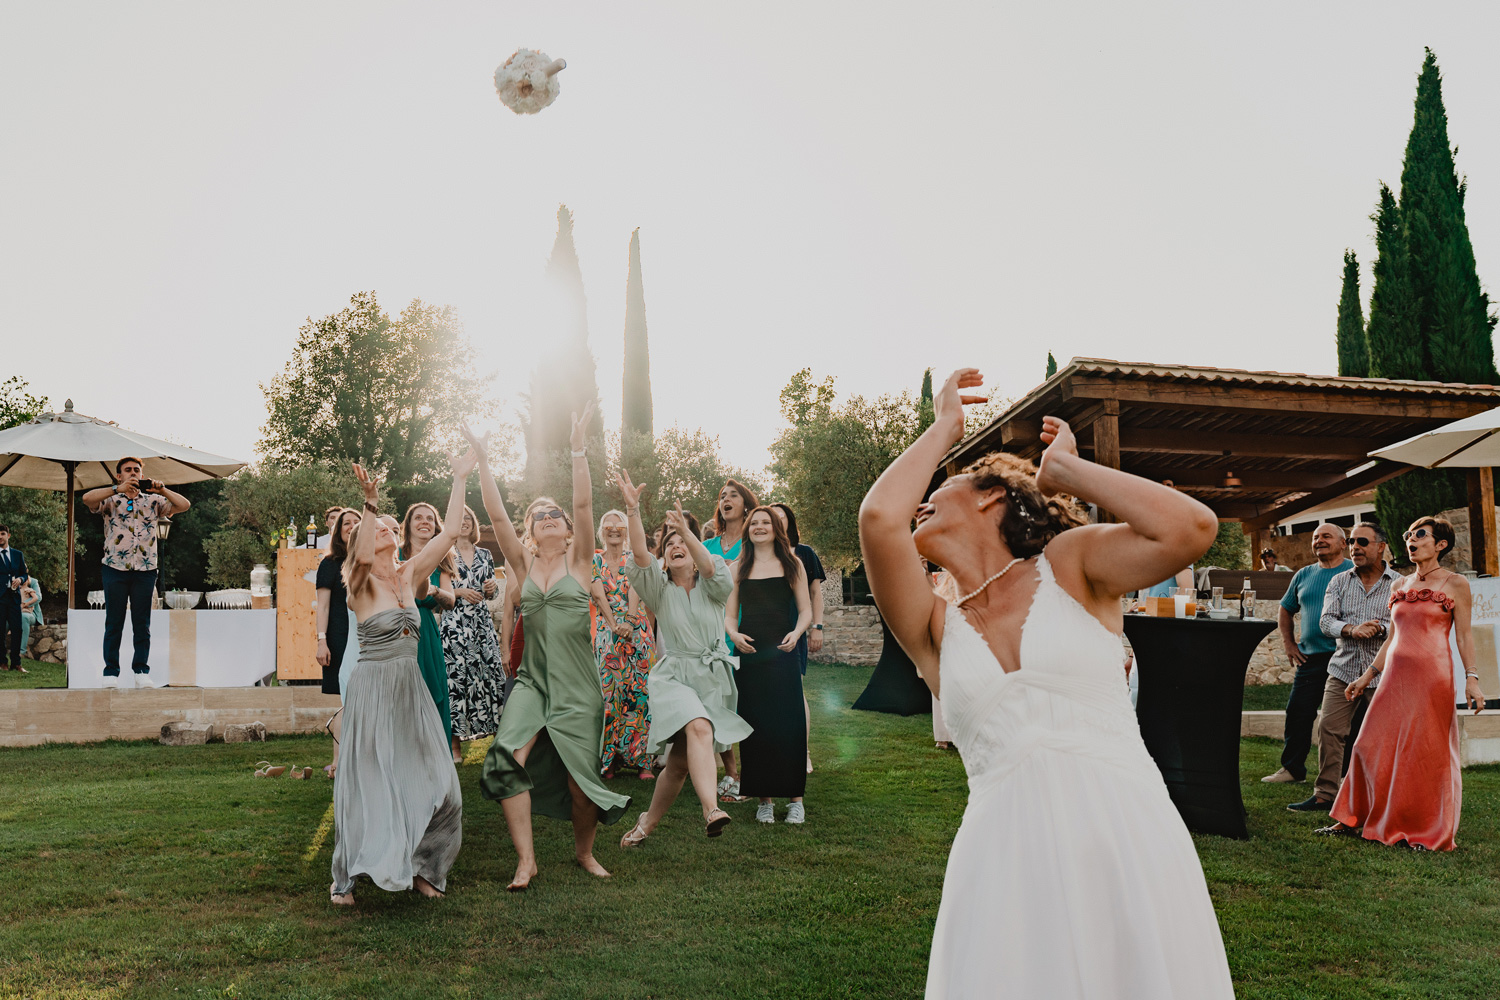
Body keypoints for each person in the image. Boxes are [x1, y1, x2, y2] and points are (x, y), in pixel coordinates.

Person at [859, 368, 1233, 998]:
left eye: (942, 484)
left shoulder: (1072, 566)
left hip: (1124, 833)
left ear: (989, 496)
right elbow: (878, 517)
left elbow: (1190, 529)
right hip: (1002, 863)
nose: (923, 498)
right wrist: (943, 428)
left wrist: (1065, 473)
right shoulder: (930, 626)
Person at [471, 411, 630, 891]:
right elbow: (497, 515)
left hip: (579, 689)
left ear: (565, 529)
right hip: (532, 683)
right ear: (531, 530)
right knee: (504, 759)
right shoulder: (520, 565)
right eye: (538, 517)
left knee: (582, 789)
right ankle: (527, 860)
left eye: (553, 516)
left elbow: (584, 506)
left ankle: (584, 853)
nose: (547, 520)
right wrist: (482, 459)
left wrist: (579, 449)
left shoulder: (582, 564)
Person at [330, 451, 471, 905]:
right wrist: (370, 505)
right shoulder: (359, 579)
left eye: (394, 526)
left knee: (443, 784)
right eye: (382, 529)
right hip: (372, 690)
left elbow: (449, 532)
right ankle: (345, 879)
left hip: (411, 691)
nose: (391, 531)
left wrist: (459, 477)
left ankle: (423, 868)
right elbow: (365, 553)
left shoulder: (410, 576)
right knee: (368, 784)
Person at [1319, 517, 1488, 850]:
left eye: (1420, 535)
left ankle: (1426, 829)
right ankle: (1354, 818)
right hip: (1394, 678)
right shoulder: (1398, 586)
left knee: (1425, 754)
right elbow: (1392, 639)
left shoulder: (1456, 584)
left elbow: (1465, 636)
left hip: (1432, 679)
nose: (1411, 539)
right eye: (1408, 534)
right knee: (1367, 745)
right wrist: (1367, 675)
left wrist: (1472, 678)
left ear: (1440, 544)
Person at [615, 480, 744, 846]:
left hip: (711, 677)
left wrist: (686, 533)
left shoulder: (713, 580)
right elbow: (641, 554)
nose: (675, 547)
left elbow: (707, 563)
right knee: (701, 728)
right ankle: (711, 810)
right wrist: (633, 510)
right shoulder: (658, 588)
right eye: (669, 545)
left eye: (682, 544)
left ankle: (645, 824)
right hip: (674, 676)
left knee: (678, 766)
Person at [1286, 523, 1399, 812]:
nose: (1355, 547)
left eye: (1363, 541)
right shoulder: (1339, 581)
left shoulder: (1399, 584)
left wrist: (1379, 629)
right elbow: (1326, 622)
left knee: (1384, 736)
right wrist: (1351, 629)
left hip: (1383, 673)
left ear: (1381, 546)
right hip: (1343, 671)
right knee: (1329, 729)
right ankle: (1325, 794)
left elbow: (1405, 626)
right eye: (1351, 542)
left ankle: (1382, 796)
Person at [725, 506, 812, 824]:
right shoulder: (738, 567)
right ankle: (764, 801)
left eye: (766, 522)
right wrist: (733, 634)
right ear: (748, 530)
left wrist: (797, 632)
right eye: (754, 523)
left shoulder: (793, 564)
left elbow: (806, 611)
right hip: (751, 654)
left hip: (783, 650)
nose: (759, 527)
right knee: (756, 725)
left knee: (788, 724)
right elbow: (730, 615)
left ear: (776, 528)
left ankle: (795, 801)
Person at [81, 458, 191, 688]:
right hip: (114, 568)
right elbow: (86, 499)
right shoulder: (110, 499)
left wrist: (162, 489)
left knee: (142, 623)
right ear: (118, 475)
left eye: (137, 470)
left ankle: (141, 671)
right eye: (128, 470)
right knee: (114, 622)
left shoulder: (154, 500)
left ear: (142, 474)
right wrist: (115, 489)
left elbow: (184, 505)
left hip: (145, 569)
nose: (133, 473)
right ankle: (110, 672)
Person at [1262, 523, 1352, 784]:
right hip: (1310, 658)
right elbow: (1285, 608)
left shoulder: (1354, 572)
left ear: (1343, 543)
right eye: (1315, 537)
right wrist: (1289, 644)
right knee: (1298, 712)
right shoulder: (1303, 574)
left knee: (1345, 720)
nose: (1319, 540)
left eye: (1326, 536)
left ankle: (1347, 774)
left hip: (1346, 657)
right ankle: (1292, 770)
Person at [591, 509, 656, 780]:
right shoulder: (594, 560)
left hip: (638, 630)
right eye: (609, 524)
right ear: (601, 530)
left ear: (627, 531)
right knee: (609, 697)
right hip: (607, 633)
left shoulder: (635, 558)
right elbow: (596, 591)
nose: (614, 529)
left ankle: (643, 762)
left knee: (641, 695)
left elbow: (636, 588)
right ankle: (611, 760)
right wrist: (613, 622)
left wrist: (629, 620)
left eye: (619, 524)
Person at [439, 505, 507, 763]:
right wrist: (460, 592)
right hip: (455, 626)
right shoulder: (445, 553)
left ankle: (498, 743)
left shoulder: (486, 554)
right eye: (460, 518)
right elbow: (441, 591)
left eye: (468, 518)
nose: (464, 522)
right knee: (456, 682)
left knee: (490, 678)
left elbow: (492, 594)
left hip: (481, 625)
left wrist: (491, 588)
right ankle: (455, 747)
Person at [704, 478, 758, 799]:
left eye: (733, 495)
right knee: (718, 707)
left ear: (745, 505)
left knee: (747, 705)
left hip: (747, 629)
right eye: (722, 496)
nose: (726, 499)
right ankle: (731, 774)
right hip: (712, 634)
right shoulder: (708, 546)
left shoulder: (754, 542)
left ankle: (754, 773)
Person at [769, 503, 825, 773]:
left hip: (796, 629)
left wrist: (818, 626)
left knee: (795, 692)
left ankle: (802, 752)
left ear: (789, 522)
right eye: (772, 519)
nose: (777, 523)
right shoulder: (761, 554)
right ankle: (773, 752)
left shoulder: (804, 554)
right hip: (764, 632)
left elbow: (815, 594)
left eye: (782, 518)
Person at [400, 502, 458, 746]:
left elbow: (451, 600)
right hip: (399, 629)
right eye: (418, 518)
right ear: (408, 525)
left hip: (426, 630)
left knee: (431, 691)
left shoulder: (443, 560)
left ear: (436, 527)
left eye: (430, 519)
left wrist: (433, 591)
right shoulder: (396, 554)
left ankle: (434, 750)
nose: (425, 522)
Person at [316, 509, 358, 776]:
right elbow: (322, 607)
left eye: (357, 522)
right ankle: (338, 761)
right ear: (338, 530)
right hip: (340, 637)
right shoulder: (330, 563)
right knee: (346, 700)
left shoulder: (370, 560)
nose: (352, 527)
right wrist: (322, 641)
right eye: (347, 523)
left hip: (367, 636)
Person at [0, 525, 29, 672]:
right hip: (0, 599)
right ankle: (2, 662)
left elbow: (24, 574)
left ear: (8, 535)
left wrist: (20, 579)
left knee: (17, 630)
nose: (0, 537)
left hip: (14, 598)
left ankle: (16, 663)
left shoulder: (18, 554)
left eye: (2, 534)